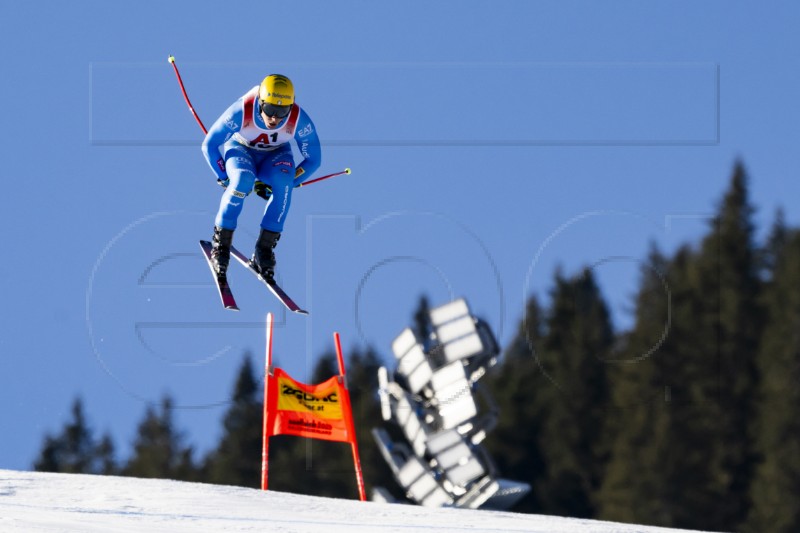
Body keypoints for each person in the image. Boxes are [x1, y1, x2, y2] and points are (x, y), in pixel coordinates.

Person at [201, 74, 321, 281]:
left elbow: (314, 160)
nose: (275, 118)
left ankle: (264, 249)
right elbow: (209, 145)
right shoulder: (242, 110)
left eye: (282, 111)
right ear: (260, 103)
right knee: (242, 181)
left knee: (283, 184)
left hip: (276, 155)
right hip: (241, 150)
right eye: (270, 110)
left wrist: (291, 182)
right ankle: (221, 245)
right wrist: (223, 177)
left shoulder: (299, 120)